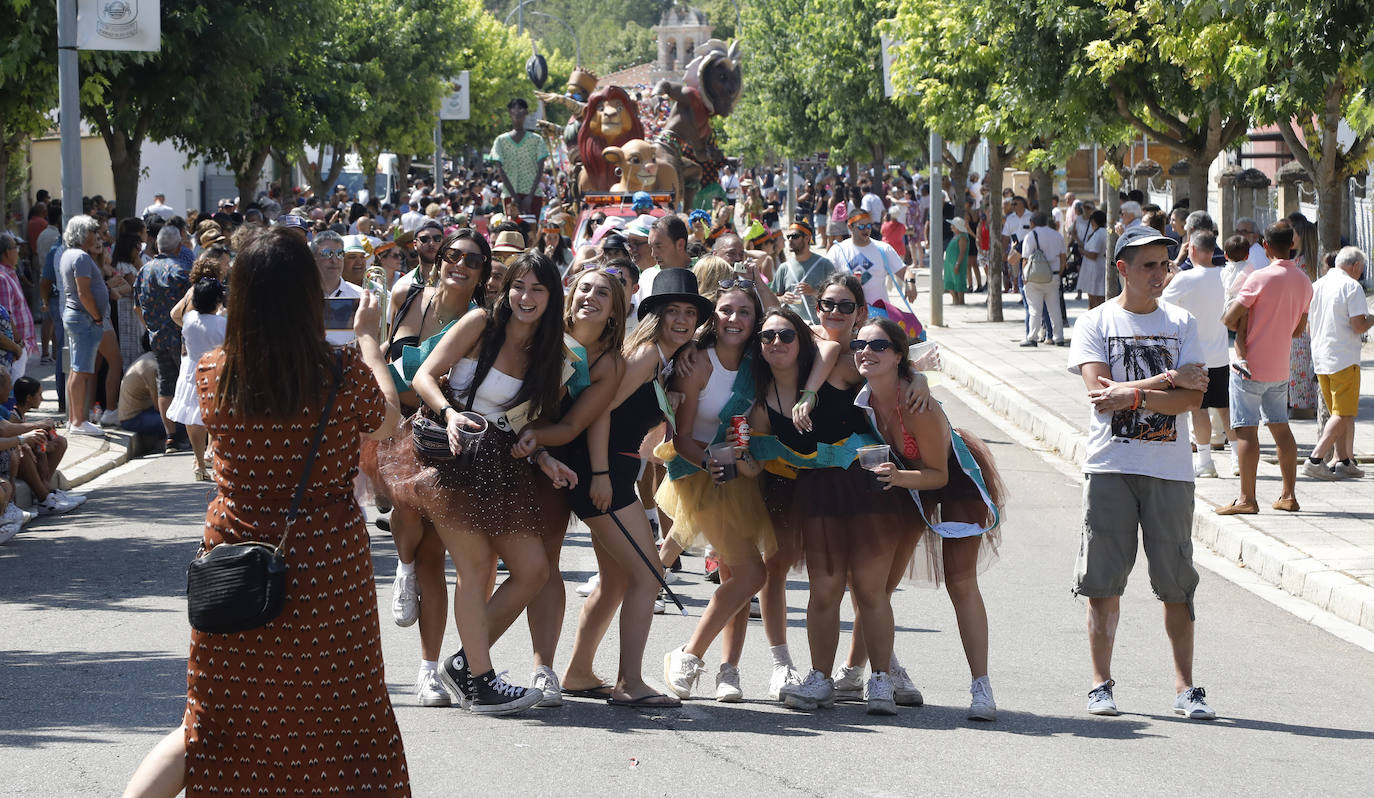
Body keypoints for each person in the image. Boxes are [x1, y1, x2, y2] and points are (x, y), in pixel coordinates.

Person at [120, 226, 406, 798]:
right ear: (307, 293)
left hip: (235, 557)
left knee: (215, 719)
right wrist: (369, 342)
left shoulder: (214, 371)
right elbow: (387, 424)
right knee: (340, 717)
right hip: (326, 561)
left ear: (240, 293)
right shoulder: (341, 371)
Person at [385, 250, 576, 716]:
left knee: (533, 569)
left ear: (552, 296)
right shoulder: (479, 323)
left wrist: (546, 457)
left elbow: (523, 422)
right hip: (447, 459)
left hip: (499, 466)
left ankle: (464, 664)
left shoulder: (552, 355)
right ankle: (482, 683)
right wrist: (450, 415)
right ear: (505, 288)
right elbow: (424, 374)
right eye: (518, 286)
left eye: (537, 288)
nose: (525, 297)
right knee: (475, 569)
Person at [1067, 225, 1214, 721]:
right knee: (1103, 581)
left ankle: (1185, 687)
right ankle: (1099, 684)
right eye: (1148, 265)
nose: (1160, 274)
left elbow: (1193, 400)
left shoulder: (1184, 322)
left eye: (1165, 264)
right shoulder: (1095, 322)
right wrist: (1167, 379)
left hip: (1171, 472)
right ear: (1122, 269)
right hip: (1111, 465)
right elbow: (1097, 395)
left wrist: (1132, 393)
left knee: (1176, 580)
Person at [562, 270, 710, 706]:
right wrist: (602, 475)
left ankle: (578, 672)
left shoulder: (663, 360)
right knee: (648, 576)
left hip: (614, 471)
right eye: (673, 312)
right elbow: (599, 407)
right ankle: (630, 684)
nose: (682, 320)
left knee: (614, 582)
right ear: (656, 316)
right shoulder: (646, 354)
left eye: (689, 313)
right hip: (603, 472)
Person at [852, 318, 1006, 719]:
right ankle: (887, 674)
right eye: (860, 344)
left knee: (960, 581)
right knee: (879, 584)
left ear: (899, 356)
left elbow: (938, 475)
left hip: (950, 482)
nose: (866, 352)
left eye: (879, 346)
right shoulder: (862, 392)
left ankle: (981, 688)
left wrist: (898, 477)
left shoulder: (917, 405)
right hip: (904, 482)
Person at [374, 228, 490, 708]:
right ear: (438, 259)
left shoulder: (482, 320)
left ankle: (428, 671)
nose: (459, 264)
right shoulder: (406, 294)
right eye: (452, 255)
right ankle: (400, 567)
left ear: (482, 273)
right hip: (393, 426)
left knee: (434, 557)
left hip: (443, 436)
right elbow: (383, 354)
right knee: (405, 524)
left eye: (472, 260)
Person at [660, 283, 776, 701]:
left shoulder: (760, 361)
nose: (734, 319)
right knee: (751, 574)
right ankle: (688, 655)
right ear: (714, 315)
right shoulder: (698, 363)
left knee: (735, 578)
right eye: (726, 310)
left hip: (740, 475)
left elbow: (809, 336)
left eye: (744, 312)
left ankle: (729, 671)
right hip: (697, 472)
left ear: (755, 320)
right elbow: (683, 439)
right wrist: (711, 462)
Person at [1218, 220, 1312, 515]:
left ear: (1266, 246)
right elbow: (1298, 330)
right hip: (1280, 368)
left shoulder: (1258, 278)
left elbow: (1228, 317)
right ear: (1292, 245)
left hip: (1250, 366)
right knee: (1281, 429)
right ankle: (1288, 495)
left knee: (1246, 430)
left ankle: (1247, 498)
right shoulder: (1304, 281)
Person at [1161, 230, 1232, 479]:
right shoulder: (1225, 275)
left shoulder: (1185, 280)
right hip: (1221, 353)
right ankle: (1236, 459)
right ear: (1213, 251)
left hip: (1194, 357)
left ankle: (1205, 461)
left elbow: (1162, 305)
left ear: (1191, 249)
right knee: (1225, 408)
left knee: (1199, 409)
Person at [1303, 246, 1372, 480]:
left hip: (1321, 356)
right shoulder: (1352, 287)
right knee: (1343, 413)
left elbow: (1309, 326)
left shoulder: (1317, 285)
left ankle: (1343, 460)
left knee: (1338, 411)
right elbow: (1359, 325)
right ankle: (1315, 458)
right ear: (1355, 266)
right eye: (1361, 269)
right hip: (1343, 357)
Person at [134, 225, 193, 450]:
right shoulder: (182, 270)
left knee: (166, 385)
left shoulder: (144, 271)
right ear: (179, 246)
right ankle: (189, 434)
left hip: (157, 336)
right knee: (187, 384)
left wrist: (151, 327)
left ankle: (171, 436)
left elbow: (136, 306)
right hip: (182, 338)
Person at [165, 276, 228, 481]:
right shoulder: (222, 323)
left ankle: (199, 462)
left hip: (192, 369)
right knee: (217, 418)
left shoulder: (189, 320)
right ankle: (217, 460)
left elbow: (176, 313)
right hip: (216, 370)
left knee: (193, 417)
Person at [57, 215, 110, 436]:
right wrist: (97, 317)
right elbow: (84, 292)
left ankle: (74, 419)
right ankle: (79, 421)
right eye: (91, 231)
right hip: (84, 318)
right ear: (82, 233)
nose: (95, 236)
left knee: (76, 369)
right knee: (81, 370)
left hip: (76, 316)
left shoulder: (69, 254)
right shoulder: (80, 257)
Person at [825, 208, 904, 307]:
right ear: (850, 227)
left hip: (878, 313)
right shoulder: (838, 250)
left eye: (869, 226)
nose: (866, 229)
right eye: (861, 226)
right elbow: (826, 280)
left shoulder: (883, 248)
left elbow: (903, 271)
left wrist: (910, 282)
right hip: (848, 312)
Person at [770, 219, 835, 325]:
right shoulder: (784, 267)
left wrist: (813, 292)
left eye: (795, 236)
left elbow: (836, 296)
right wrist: (782, 298)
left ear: (807, 238)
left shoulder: (825, 265)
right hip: (792, 326)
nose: (790, 240)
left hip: (819, 325)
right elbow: (772, 297)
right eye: (788, 237)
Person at [490, 98, 548, 216]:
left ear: (526, 112)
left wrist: (530, 196)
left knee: (530, 230)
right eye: (514, 108)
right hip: (509, 194)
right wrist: (514, 196)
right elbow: (500, 169)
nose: (517, 112)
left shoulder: (537, 140)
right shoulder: (500, 141)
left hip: (533, 195)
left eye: (521, 108)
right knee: (511, 230)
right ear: (509, 112)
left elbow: (540, 168)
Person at [1019, 212, 1067, 347]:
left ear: (1032, 223)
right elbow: (1063, 257)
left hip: (1034, 277)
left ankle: (1032, 338)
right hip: (1053, 275)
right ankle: (1059, 337)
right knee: (1055, 308)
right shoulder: (1057, 235)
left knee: (1035, 309)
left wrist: (1024, 276)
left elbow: (1025, 259)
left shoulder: (1030, 236)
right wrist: (1059, 272)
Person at [1077, 209, 1108, 308]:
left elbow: (1094, 254)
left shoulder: (1100, 233)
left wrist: (1083, 252)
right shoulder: (1097, 232)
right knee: (1093, 298)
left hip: (1095, 269)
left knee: (1096, 299)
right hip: (1092, 269)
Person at [943, 215, 972, 305]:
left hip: (957, 263)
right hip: (949, 264)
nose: (951, 227)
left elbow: (962, 252)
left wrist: (957, 264)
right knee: (949, 281)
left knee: (959, 282)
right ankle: (955, 299)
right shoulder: (956, 236)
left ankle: (960, 301)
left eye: (953, 225)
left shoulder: (962, 237)